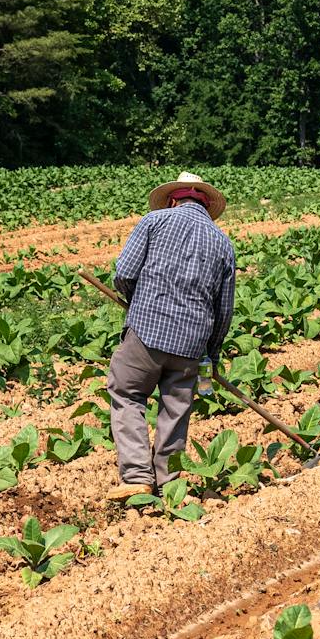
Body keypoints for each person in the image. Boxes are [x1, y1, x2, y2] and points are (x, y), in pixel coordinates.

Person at [105, 171, 237, 501]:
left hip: (147, 332)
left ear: (173, 199)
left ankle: (136, 475)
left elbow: (124, 273)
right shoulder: (223, 243)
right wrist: (212, 353)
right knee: (175, 410)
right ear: (206, 207)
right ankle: (169, 484)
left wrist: (138, 301)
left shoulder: (154, 221)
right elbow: (224, 311)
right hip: (192, 344)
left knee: (127, 392)